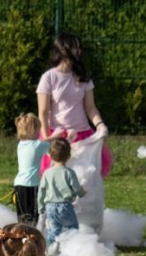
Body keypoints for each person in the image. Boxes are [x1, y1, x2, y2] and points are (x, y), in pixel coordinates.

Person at [36, 31, 112, 179]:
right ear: (64, 50)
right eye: (75, 48)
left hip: (82, 136)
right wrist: (47, 138)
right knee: (58, 181)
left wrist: (100, 124)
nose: (79, 51)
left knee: (83, 181)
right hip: (57, 137)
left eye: (79, 48)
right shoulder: (48, 78)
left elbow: (90, 107)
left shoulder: (83, 77)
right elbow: (43, 112)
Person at [13, 113, 64, 225]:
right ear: (34, 131)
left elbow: (44, 142)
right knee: (33, 216)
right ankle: (31, 238)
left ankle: (21, 238)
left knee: (22, 217)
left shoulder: (21, 144)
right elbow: (51, 148)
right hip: (32, 185)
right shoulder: (38, 145)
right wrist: (58, 135)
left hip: (19, 184)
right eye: (39, 130)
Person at [37, 138, 85, 246]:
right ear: (68, 156)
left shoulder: (47, 173)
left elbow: (41, 191)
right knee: (72, 228)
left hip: (50, 207)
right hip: (65, 206)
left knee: (53, 231)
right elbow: (77, 188)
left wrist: (40, 206)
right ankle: (72, 248)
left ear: (50, 155)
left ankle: (52, 251)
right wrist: (82, 193)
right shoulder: (69, 172)